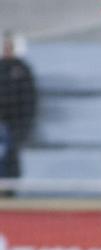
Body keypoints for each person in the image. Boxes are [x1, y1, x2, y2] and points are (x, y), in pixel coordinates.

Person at [0, 31, 37, 184]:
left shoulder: (22, 69)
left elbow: (29, 96)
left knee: (12, 154)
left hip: (16, 120)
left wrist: (25, 121)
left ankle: (11, 187)